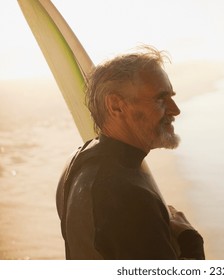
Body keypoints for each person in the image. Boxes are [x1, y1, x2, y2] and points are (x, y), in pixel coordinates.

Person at [56, 46, 205, 260]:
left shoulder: (77, 161)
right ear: (116, 105)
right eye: (161, 99)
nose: (175, 109)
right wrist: (191, 241)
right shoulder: (128, 196)